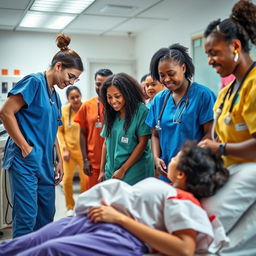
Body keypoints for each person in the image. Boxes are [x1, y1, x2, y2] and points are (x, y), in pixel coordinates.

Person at [0, 141, 229, 256]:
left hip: (122, 235)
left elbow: (185, 248)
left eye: (177, 157)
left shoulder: (184, 199)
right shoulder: (167, 187)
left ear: (182, 174)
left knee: (51, 250)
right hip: (95, 219)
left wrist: (120, 219)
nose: (171, 158)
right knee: (28, 242)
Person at [0, 34, 84, 238]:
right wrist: (24, 147)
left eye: (76, 79)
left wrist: (58, 160)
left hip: (45, 161)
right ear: (58, 67)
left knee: (47, 214)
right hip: (25, 160)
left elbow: (52, 129)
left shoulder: (54, 94)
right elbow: (5, 112)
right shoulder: (34, 82)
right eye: (70, 76)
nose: (71, 82)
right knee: (27, 216)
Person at [199, 0, 256, 253]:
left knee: (220, 240)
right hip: (230, 174)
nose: (210, 60)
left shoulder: (254, 85)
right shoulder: (226, 93)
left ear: (235, 46)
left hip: (250, 176)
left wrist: (219, 148)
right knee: (222, 244)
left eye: (214, 53)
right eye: (207, 55)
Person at [146, 43, 216, 180]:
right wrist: (155, 157)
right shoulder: (159, 100)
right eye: (162, 75)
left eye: (171, 73)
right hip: (167, 172)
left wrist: (187, 158)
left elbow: (211, 133)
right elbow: (155, 134)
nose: (166, 79)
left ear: (183, 68)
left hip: (195, 170)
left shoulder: (203, 95)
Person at [99, 72, 154, 185]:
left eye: (117, 96)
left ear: (127, 94)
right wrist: (102, 171)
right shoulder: (111, 113)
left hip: (134, 172)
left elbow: (142, 144)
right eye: (109, 97)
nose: (113, 101)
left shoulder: (141, 111)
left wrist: (123, 169)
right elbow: (106, 142)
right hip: (112, 171)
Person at [74, 68, 113, 189]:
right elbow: (82, 133)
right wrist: (85, 160)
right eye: (98, 84)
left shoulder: (116, 105)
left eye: (105, 84)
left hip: (114, 164)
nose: (101, 87)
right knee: (93, 201)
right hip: (93, 164)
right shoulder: (87, 106)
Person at [57, 86, 87, 217]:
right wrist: (64, 149)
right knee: (67, 180)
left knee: (85, 180)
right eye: (72, 97)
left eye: (77, 96)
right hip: (68, 152)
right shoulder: (64, 111)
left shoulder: (86, 109)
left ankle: (83, 205)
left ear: (81, 95)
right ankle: (70, 206)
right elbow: (60, 132)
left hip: (83, 152)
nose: (75, 99)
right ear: (68, 99)